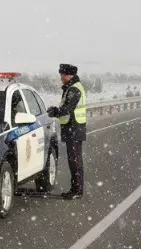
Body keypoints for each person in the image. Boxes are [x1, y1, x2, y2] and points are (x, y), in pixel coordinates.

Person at [46, 63, 87, 200]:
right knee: (73, 160)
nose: (61, 78)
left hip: (74, 129)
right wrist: (57, 110)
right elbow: (66, 107)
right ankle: (75, 189)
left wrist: (56, 112)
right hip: (72, 129)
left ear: (69, 75)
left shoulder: (74, 89)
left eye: (62, 75)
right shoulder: (70, 87)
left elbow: (69, 108)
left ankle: (77, 191)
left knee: (75, 161)